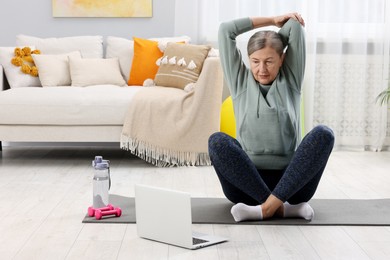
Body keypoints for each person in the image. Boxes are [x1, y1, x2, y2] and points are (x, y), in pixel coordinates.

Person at [208, 13, 335, 222]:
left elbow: (294, 27)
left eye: (269, 61)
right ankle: (282, 209)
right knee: (217, 141)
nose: (261, 69)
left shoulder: (291, 80)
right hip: (246, 186)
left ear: (282, 59)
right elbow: (225, 30)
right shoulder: (239, 81)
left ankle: (265, 209)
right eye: (255, 61)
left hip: (293, 186)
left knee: (324, 134)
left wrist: (276, 39)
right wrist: (272, 21)